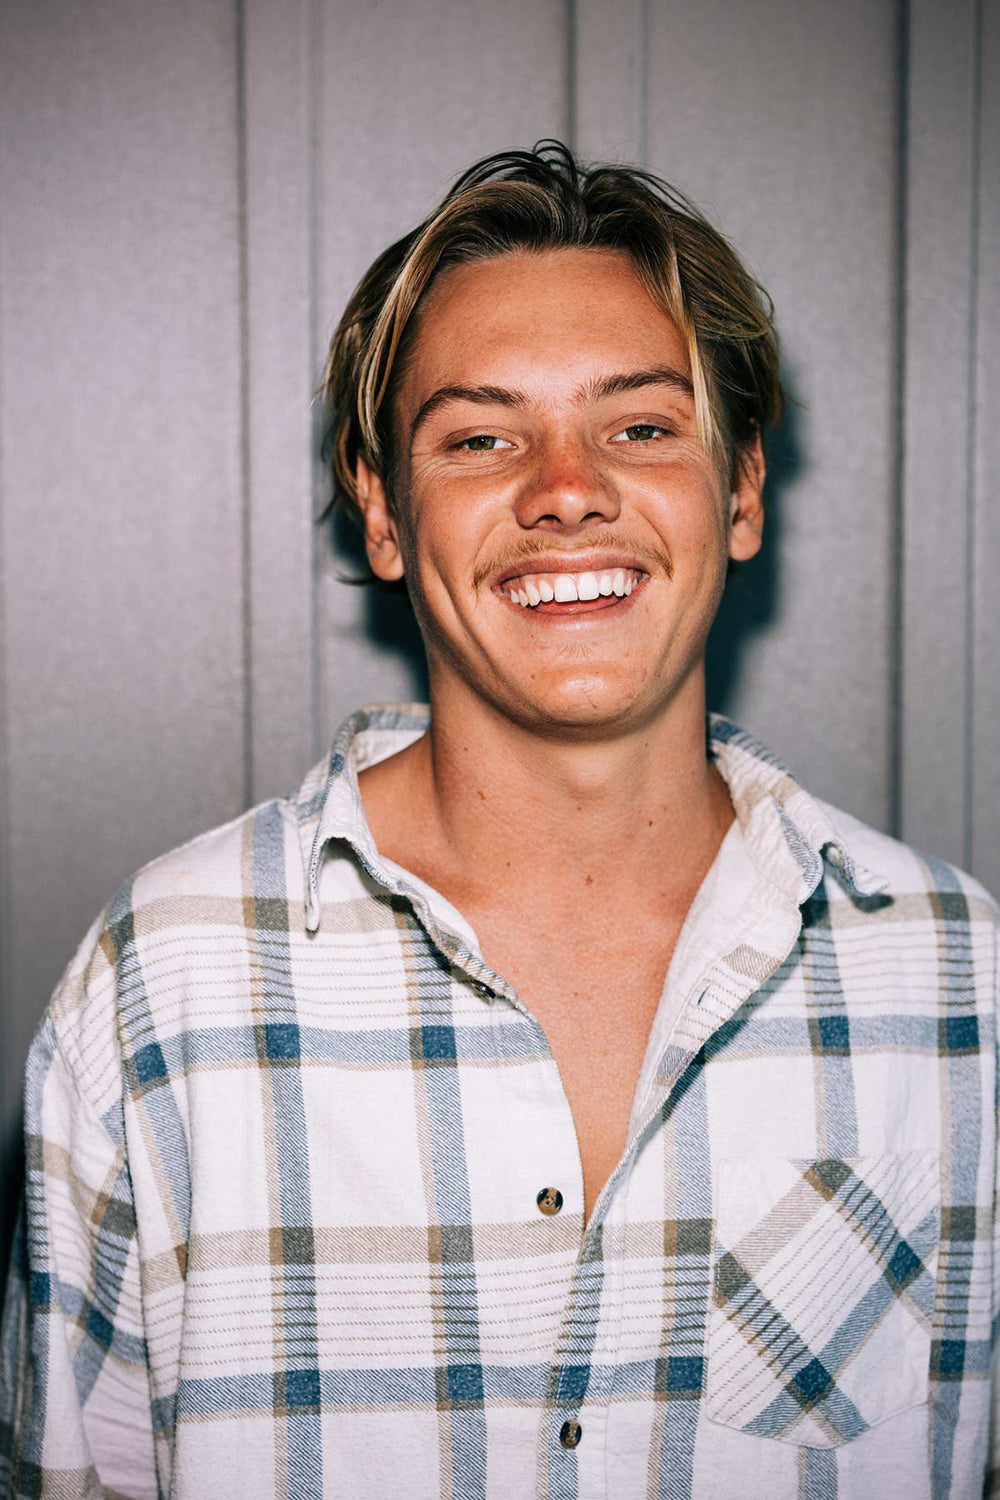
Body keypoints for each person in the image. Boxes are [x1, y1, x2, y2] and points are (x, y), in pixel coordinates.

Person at [1, 141, 996, 1500]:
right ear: (386, 516)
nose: (565, 488)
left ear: (744, 490)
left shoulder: (959, 981)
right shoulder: (160, 992)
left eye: (640, 426)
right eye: (479, 437)